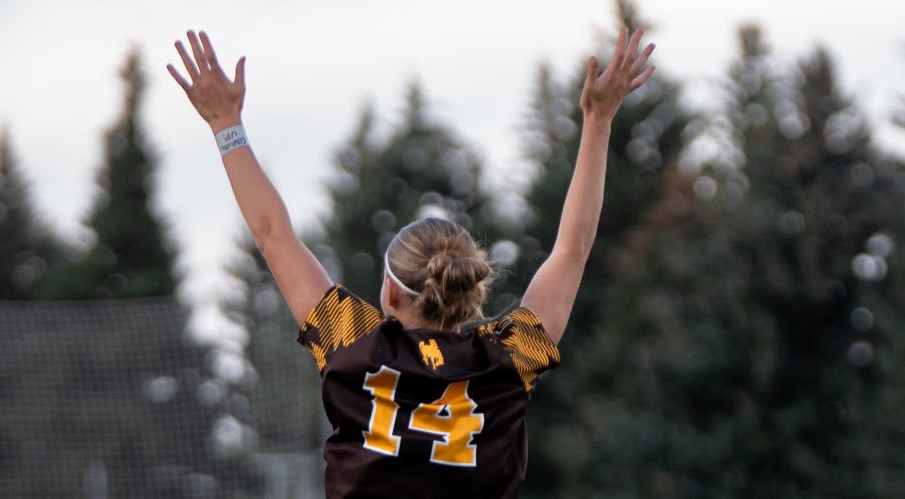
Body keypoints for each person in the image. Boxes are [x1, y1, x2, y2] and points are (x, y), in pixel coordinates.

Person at [167, 27, 654, 499]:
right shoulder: (505, 362)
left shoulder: (352, 343)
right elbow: (573, 249)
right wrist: (598, 121)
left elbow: (273, 235)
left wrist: (226, 124)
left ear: (392, 292)